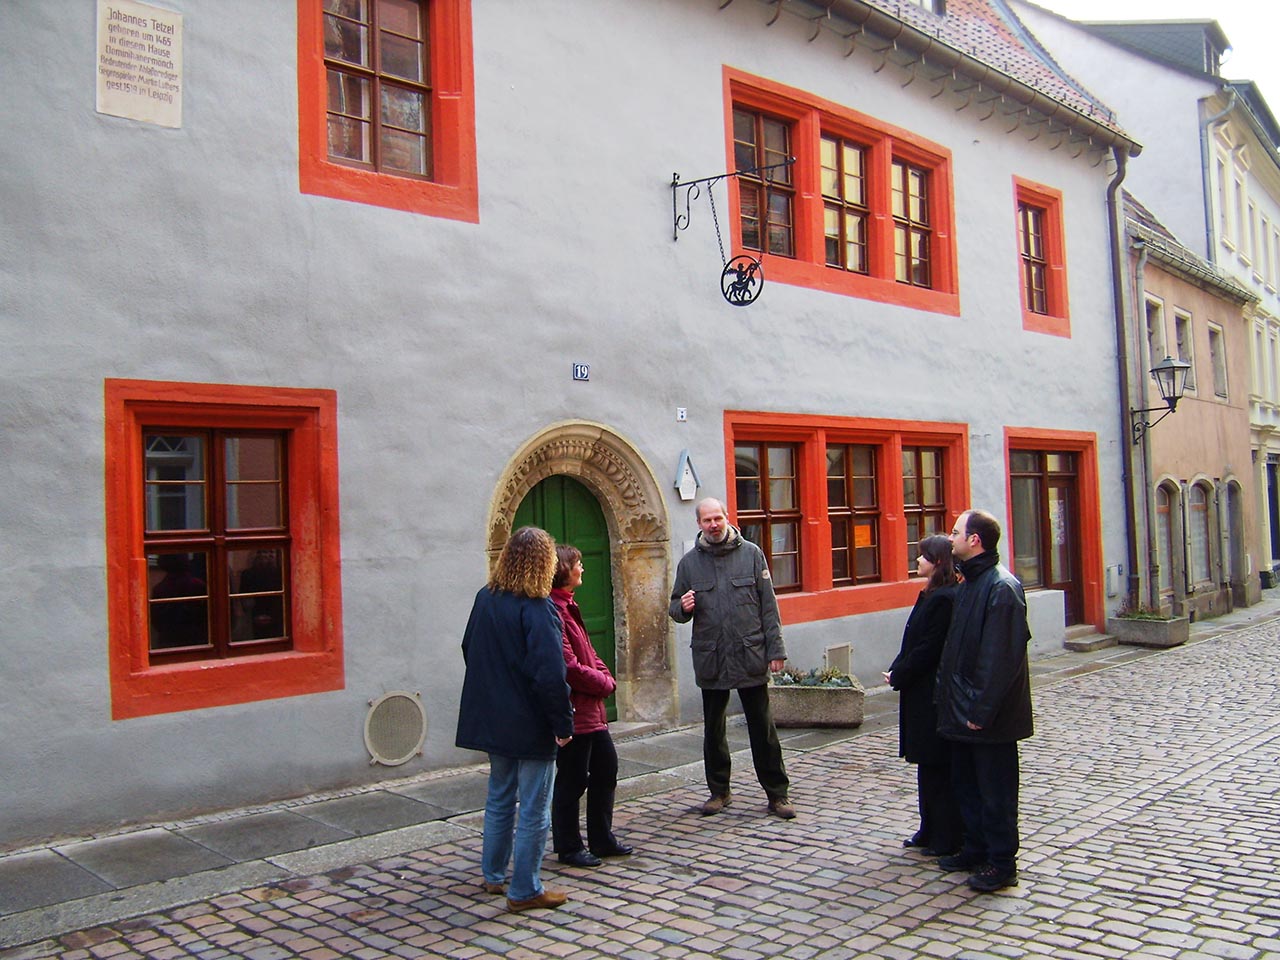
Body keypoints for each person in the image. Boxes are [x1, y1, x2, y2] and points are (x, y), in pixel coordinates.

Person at [455, 526, 575, 912]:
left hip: (494, 717)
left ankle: (493, 875)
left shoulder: (485, 598)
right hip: (530, 721)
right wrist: (562, 724)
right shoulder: (538, 608)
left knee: (500, 798)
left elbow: (469, 648)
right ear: (544, 563)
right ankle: (524, 889)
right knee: (535, 808)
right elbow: (549, 675)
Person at [668, 497, 795, 819]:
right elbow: (674, 609)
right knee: (714, 729)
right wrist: (682, 607)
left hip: (749, 653)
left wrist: (775, 650)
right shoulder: (689, 564)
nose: (713, 524)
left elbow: (769, 607)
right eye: (707, 520)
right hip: (711, 656)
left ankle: (777, 794)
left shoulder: (752, 555)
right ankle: (719, 791)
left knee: (762, 729)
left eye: (718, 518)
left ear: (727, 518)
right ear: (699, 524)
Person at [935, 509, 1034, 893]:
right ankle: (974, 848)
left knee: (996, 793)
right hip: (962, 710)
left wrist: (981, 710)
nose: (951, 537)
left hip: (988, 717)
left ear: (974, 540)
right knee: (968, 786)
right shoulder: (970, 583)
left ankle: (1001, 862)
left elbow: (1000, 659)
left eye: (957, 532)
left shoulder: (1001, 588)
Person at [549, 545, 634, 867]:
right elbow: (568, 665)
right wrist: (603, 684)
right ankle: (568, 845)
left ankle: (601, 838)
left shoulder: (569, 605)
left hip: (591, 710)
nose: (583, 568)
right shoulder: (554, 610)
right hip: (575, 710)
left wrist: (606, 676)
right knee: (572, 780)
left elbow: (589, 653)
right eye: (578, 564)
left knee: (605, 769)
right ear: (563, 570)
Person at [883, 534, 963, 857]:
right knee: (925, 767)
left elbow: (929, 649)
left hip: (932, 694)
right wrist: (897, 666)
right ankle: (927, 828)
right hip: (918, 692)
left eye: (922, 556)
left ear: (938, 562)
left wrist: (901, 673)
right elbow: (912, 641)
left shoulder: (945, 599)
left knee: (937, 767)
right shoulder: (929, 594)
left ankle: (944, 835)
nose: (916, 561)